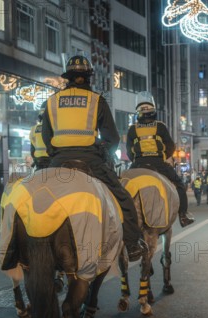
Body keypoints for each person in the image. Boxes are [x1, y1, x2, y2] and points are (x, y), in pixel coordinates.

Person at [42, 54, 147, 261]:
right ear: (89, 77)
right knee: (123, 199)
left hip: (58, 162)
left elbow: (47, 137)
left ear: (67, 77)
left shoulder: (52, 102)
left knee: (36, 196)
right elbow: (113, 138)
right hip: (90, 160)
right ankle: (133, 244)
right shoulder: (96, 100)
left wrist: (56, 154)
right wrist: (102, 151)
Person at [126, 91, 194, 228]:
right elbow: (170, 146)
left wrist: (136, 160)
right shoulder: (160, 126)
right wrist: (163, 156)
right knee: (179, 185)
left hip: (138, 164)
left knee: (123, 186)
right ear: (153, 112)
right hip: (158, 164)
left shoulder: (132, 129)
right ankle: (183, 215)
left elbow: (129, 151)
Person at [29, 101, 50, 170]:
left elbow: (32, 151)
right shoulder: (55, 128)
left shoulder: (33, 129)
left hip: (39, 163)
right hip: (52, 162)